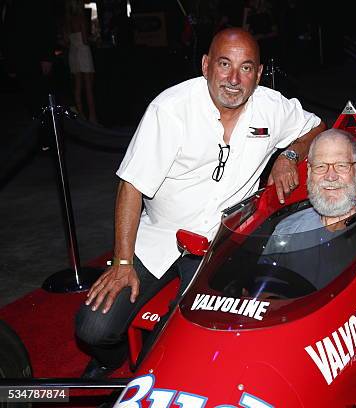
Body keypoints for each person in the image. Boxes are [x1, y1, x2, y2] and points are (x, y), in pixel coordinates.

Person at [75, 28, 325, 378]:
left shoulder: (271, 106)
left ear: (259, 72)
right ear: (206, 65)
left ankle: (149, 373)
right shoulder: (170, 110)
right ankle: (111, 360)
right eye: (225, 64)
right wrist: (121, 262)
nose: (235, 79)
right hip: (161, 234)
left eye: (246, 67)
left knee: (181, 340)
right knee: (94, 329)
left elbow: (314, 127)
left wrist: (289, 155)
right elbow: (131, 186)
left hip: (223, 241)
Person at [262, 129, 356, 290]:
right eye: (320, 166)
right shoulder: (287, 230)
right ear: (308, 173)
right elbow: (261, 294)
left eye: (341, 166)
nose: (330, 176)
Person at [65, 0, 98, 123]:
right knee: (89, 87)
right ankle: (93, 117)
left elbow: (66, 42)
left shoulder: (67, 21)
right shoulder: (81, 18)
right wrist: (93, 39)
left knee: (77, 86)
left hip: (73, 53)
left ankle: (81, 116)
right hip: (83, 52)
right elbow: (85, 40)